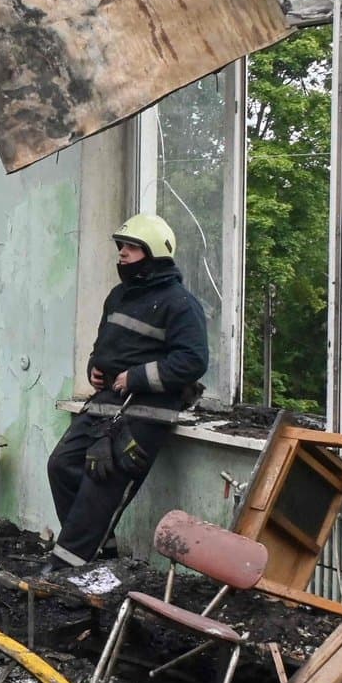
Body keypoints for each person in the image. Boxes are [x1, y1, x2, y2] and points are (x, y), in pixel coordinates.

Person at [46, 214, 209, 566]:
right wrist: (95, 367)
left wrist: (135, 378)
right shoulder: (118, 296)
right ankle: (100, 556)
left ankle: (66, 568)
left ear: (154, 254)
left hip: (145, 413)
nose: (122, 253)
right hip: (105, 405)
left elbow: (193, 360)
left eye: (132, 247)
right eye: (122, 246)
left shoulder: (180, 303)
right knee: (61, 465)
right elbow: (104, 345)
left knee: (100, 484)